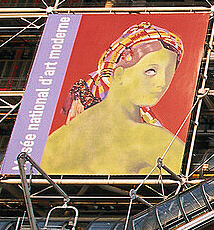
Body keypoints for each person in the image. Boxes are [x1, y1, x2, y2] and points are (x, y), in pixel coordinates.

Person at [42, 22, 188, 175]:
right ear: (118, 74)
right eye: (151, 71)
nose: (162, 83)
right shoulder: (150, 139)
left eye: (169, 73)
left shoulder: (59, 138)